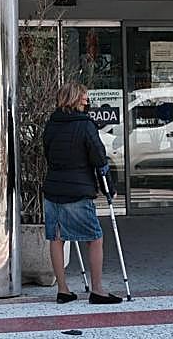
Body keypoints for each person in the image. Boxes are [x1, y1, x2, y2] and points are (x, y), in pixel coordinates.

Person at [42, 81, 122, 305]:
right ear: (75, 99)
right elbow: (99, 159)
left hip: (52, 189)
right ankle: (97, 290)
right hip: (78, 190)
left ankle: (63, 290)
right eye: (84, 98)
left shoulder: (51, 124)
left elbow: (47, 153)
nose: (87, 101)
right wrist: (109, 189)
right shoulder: (86, 125)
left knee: (57, 238)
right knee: (94, 238)